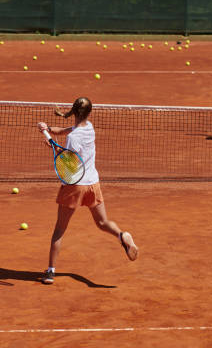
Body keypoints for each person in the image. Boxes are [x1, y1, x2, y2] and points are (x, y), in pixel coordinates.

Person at [37, 97, 138, 285]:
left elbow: (69, 162)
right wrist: (47, 129)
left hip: (75, 185)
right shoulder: (89, 128)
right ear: (88, 113)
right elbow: (64, 131)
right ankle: (121, 236)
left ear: (73, 112)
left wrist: (51, 145)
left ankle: (50, 272)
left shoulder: (73, 138)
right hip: (93, 184)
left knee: (59, 230)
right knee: (102, 222)